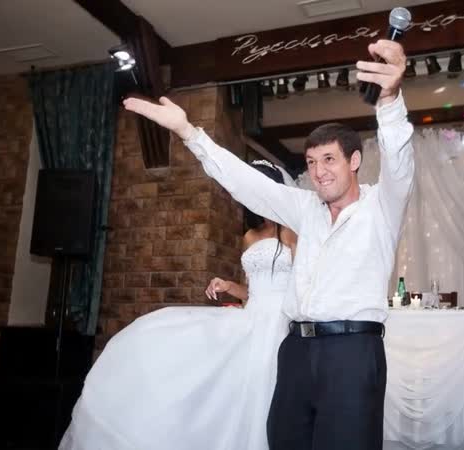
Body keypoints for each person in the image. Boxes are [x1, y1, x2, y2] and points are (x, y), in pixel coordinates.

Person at [123, 39, 414, 449]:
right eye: (311, 162)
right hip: (295, 350)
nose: (319, 172)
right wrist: (189, 132)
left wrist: (390, 99)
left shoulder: (383, 206)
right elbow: (245, 183)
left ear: (354, 161)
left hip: (353, 353)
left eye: (329, 159)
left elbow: (399, 160)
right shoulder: (305, 208)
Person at [59, 160, 298, 450]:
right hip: (252, 315)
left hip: (278, 322)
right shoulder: (249, 237)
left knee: (263, 391)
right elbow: (251, 293)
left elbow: (302, 282)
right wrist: (227, 286)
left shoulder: (290, 232)